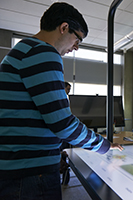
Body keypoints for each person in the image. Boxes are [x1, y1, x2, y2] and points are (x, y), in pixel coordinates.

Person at [0, 2, 123, 200]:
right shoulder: (42, 53)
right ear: (64, 27)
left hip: (17, 170)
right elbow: (62, 123)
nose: (76, 48)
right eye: (78, 40)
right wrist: (104, 145)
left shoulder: (23, 51)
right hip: (30, 174)